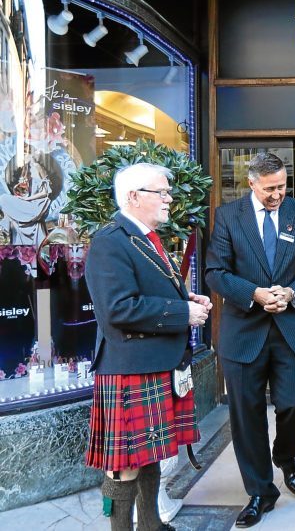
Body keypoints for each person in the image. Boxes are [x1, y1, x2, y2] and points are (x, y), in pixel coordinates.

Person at [84, 163, 210, 531]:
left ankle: (152, 525)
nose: (169, 199)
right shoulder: (110, 240)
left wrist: (185, 298)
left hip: (151, 362)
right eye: (162, 192)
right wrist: (182, 313)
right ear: (133, 196)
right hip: (130, 366)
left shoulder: (143, 236)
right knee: (125, 465)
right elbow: (118, 309)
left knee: (149, 455)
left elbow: (144, 290)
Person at [205, 152, 295, 528]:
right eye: (270, 188)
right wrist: (254, 293)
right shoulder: (228, 217)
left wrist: (290, 293)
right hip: (244, 332)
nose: (277, 194)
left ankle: (286, 458)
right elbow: (215, 272)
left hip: (290, 330)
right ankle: (260, 491)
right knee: (247, 417)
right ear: (252, 183)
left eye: (282, 186)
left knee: (294, 403)